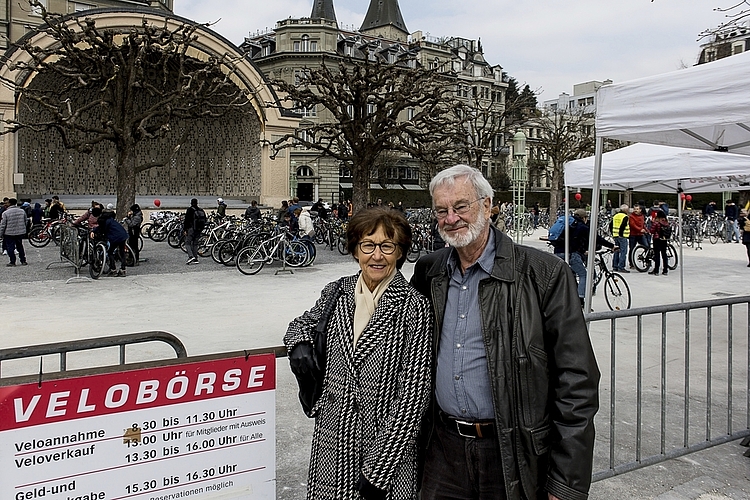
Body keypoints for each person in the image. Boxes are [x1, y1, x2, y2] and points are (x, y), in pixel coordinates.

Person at [410, 165, 600, 500]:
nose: (451, 218)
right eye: (442, 210)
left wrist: (565, 482)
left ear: (487, 205)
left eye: (461, 206)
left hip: (513, 451)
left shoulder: (544, 274)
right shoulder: (430, 271)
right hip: (443, 450)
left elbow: (577, 380)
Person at [284, 207, 432, 500]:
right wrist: (299, 343)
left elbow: (414, 396)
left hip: (386, 452)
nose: (377, 256)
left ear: (400, 253)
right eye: (368, 245)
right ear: (355, 250)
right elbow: (301, 323)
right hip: (333, 442)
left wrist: (378, 471)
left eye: (387, 246)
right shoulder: (338, 292)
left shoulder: (414, 307)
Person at [91, 206, 129, 277]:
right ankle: (123, 269)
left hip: (115, 236)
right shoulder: (109, 218)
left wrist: (95, 231)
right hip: (122, 234)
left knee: (110, 252)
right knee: (122, 252)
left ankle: (113, 269)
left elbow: (102, 229)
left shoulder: (102, 220)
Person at [0, 198, 29, 267]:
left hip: (9, 233)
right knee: (20, 246)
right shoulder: (22, 211)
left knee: (10, 247)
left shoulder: (5, 213)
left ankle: (12, 261)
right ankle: (23, 260)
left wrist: (0, 234)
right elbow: (26, 221)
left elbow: (3, 225)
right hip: (20, 232)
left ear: (9, 203)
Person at [648, 210, 670, 276]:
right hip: (664, 239)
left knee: (657, 255)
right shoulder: (666, 222)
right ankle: (665, 270)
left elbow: (652, 231)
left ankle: (656, 270)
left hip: (657, 239)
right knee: (664, 254)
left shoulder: (657, 222)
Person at [183, 198, 203, 265]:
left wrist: (185, 229)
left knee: (187, 243)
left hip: (191, 229)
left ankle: (191, 256)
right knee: (195, 244)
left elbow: (186, 220)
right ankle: (196, 258)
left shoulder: (190, 210)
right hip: (199, 229)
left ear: (191, 203)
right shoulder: (200, 210)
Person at [611, 204, 630, 273]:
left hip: (615, 236)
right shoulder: (625, 217)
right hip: (622, 236)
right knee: (623, 252)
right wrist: (621, 234)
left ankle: (615, 266)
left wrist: (613, 234)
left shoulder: (615, 216)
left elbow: (611, 225)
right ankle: (621, 267)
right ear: (626, 210)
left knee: (616, 251)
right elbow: (623, 226)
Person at [628, 204, 648, 268]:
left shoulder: (642, 216)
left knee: (647, 246)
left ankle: (647, 260)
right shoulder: (631, 216)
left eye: (637, 209)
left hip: (640, 234)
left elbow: (643, 224)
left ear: (640, 210)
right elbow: (632, 225)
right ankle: (631, 263)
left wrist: (647, 230)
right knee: (632, 249)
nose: (635, 210)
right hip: (633, 234)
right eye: (634, 209)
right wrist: (640, 230)